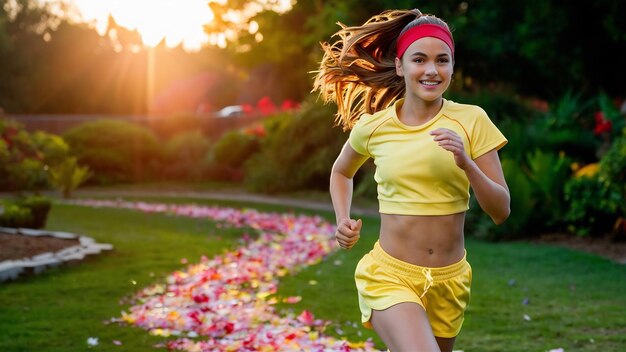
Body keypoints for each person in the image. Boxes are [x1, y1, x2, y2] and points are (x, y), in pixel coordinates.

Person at [312, 9, 510, 352]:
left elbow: (501, 210)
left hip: (450, 280)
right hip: (391, 274)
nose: (432, 70)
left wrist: (467, 163)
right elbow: (341, 171)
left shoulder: (472, 120)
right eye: (419, 59)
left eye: (442, 60)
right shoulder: (374, 127)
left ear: (452, 66)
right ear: (401, 65)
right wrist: (342, 217)